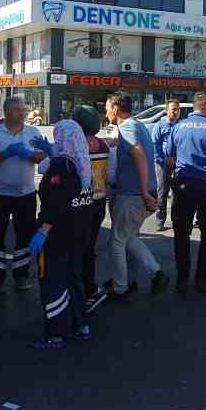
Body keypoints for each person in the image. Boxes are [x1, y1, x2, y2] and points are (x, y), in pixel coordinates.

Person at [28, 119, 93, 349]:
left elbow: (55, 204)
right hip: (78, 235)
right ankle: (80, 325)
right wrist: (52, 153)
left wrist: (43, 231)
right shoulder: (82, 165)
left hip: (57, 236)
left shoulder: (60, 167)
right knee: (74, 280)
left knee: (53, 283)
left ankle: (56, 334)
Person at [0, 97, 51, 294]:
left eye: (24, 109)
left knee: (24, 236)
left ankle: (21, 276)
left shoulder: (32, 132)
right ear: (6, 112)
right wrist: (6, 153)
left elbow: (42, 156)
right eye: (18, 109)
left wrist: (30, 154)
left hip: (25, 195)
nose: (22, 113)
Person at [165, 92, 206, 294]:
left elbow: (169, 157)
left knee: (182, 233)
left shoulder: (178, 127)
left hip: (183, 186)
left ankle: (182, 278)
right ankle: (202, 278)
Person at [103, 92, 165, 300]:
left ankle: (121, 288)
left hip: (132, 194)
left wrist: (144, 192)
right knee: (128, 237)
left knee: (117, 242)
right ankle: (156, 273)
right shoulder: (138, 125)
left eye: (107, 107)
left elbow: (138, 155)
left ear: (116, 107)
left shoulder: (127, 126)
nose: (105, 112)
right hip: (137, 193)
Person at [73, 105, 113, 309]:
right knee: (90, 247)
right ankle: (90, 289)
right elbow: (111, 175)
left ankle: (76, 288)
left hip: (77, 203)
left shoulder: (74, 144)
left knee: (76, 247)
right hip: (97, 203)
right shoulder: (103, 146)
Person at [152, 101, 181, 230]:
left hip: (178, 163)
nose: (176, 112)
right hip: (163, 164)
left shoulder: (181, 125)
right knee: (162, 191)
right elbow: (155, 145)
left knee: (177, 192)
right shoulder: (160, 125)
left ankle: (176, 220)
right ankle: (160, 220)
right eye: (173, 110)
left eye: (177, 110)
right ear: (167, 111)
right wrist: (162, 160)